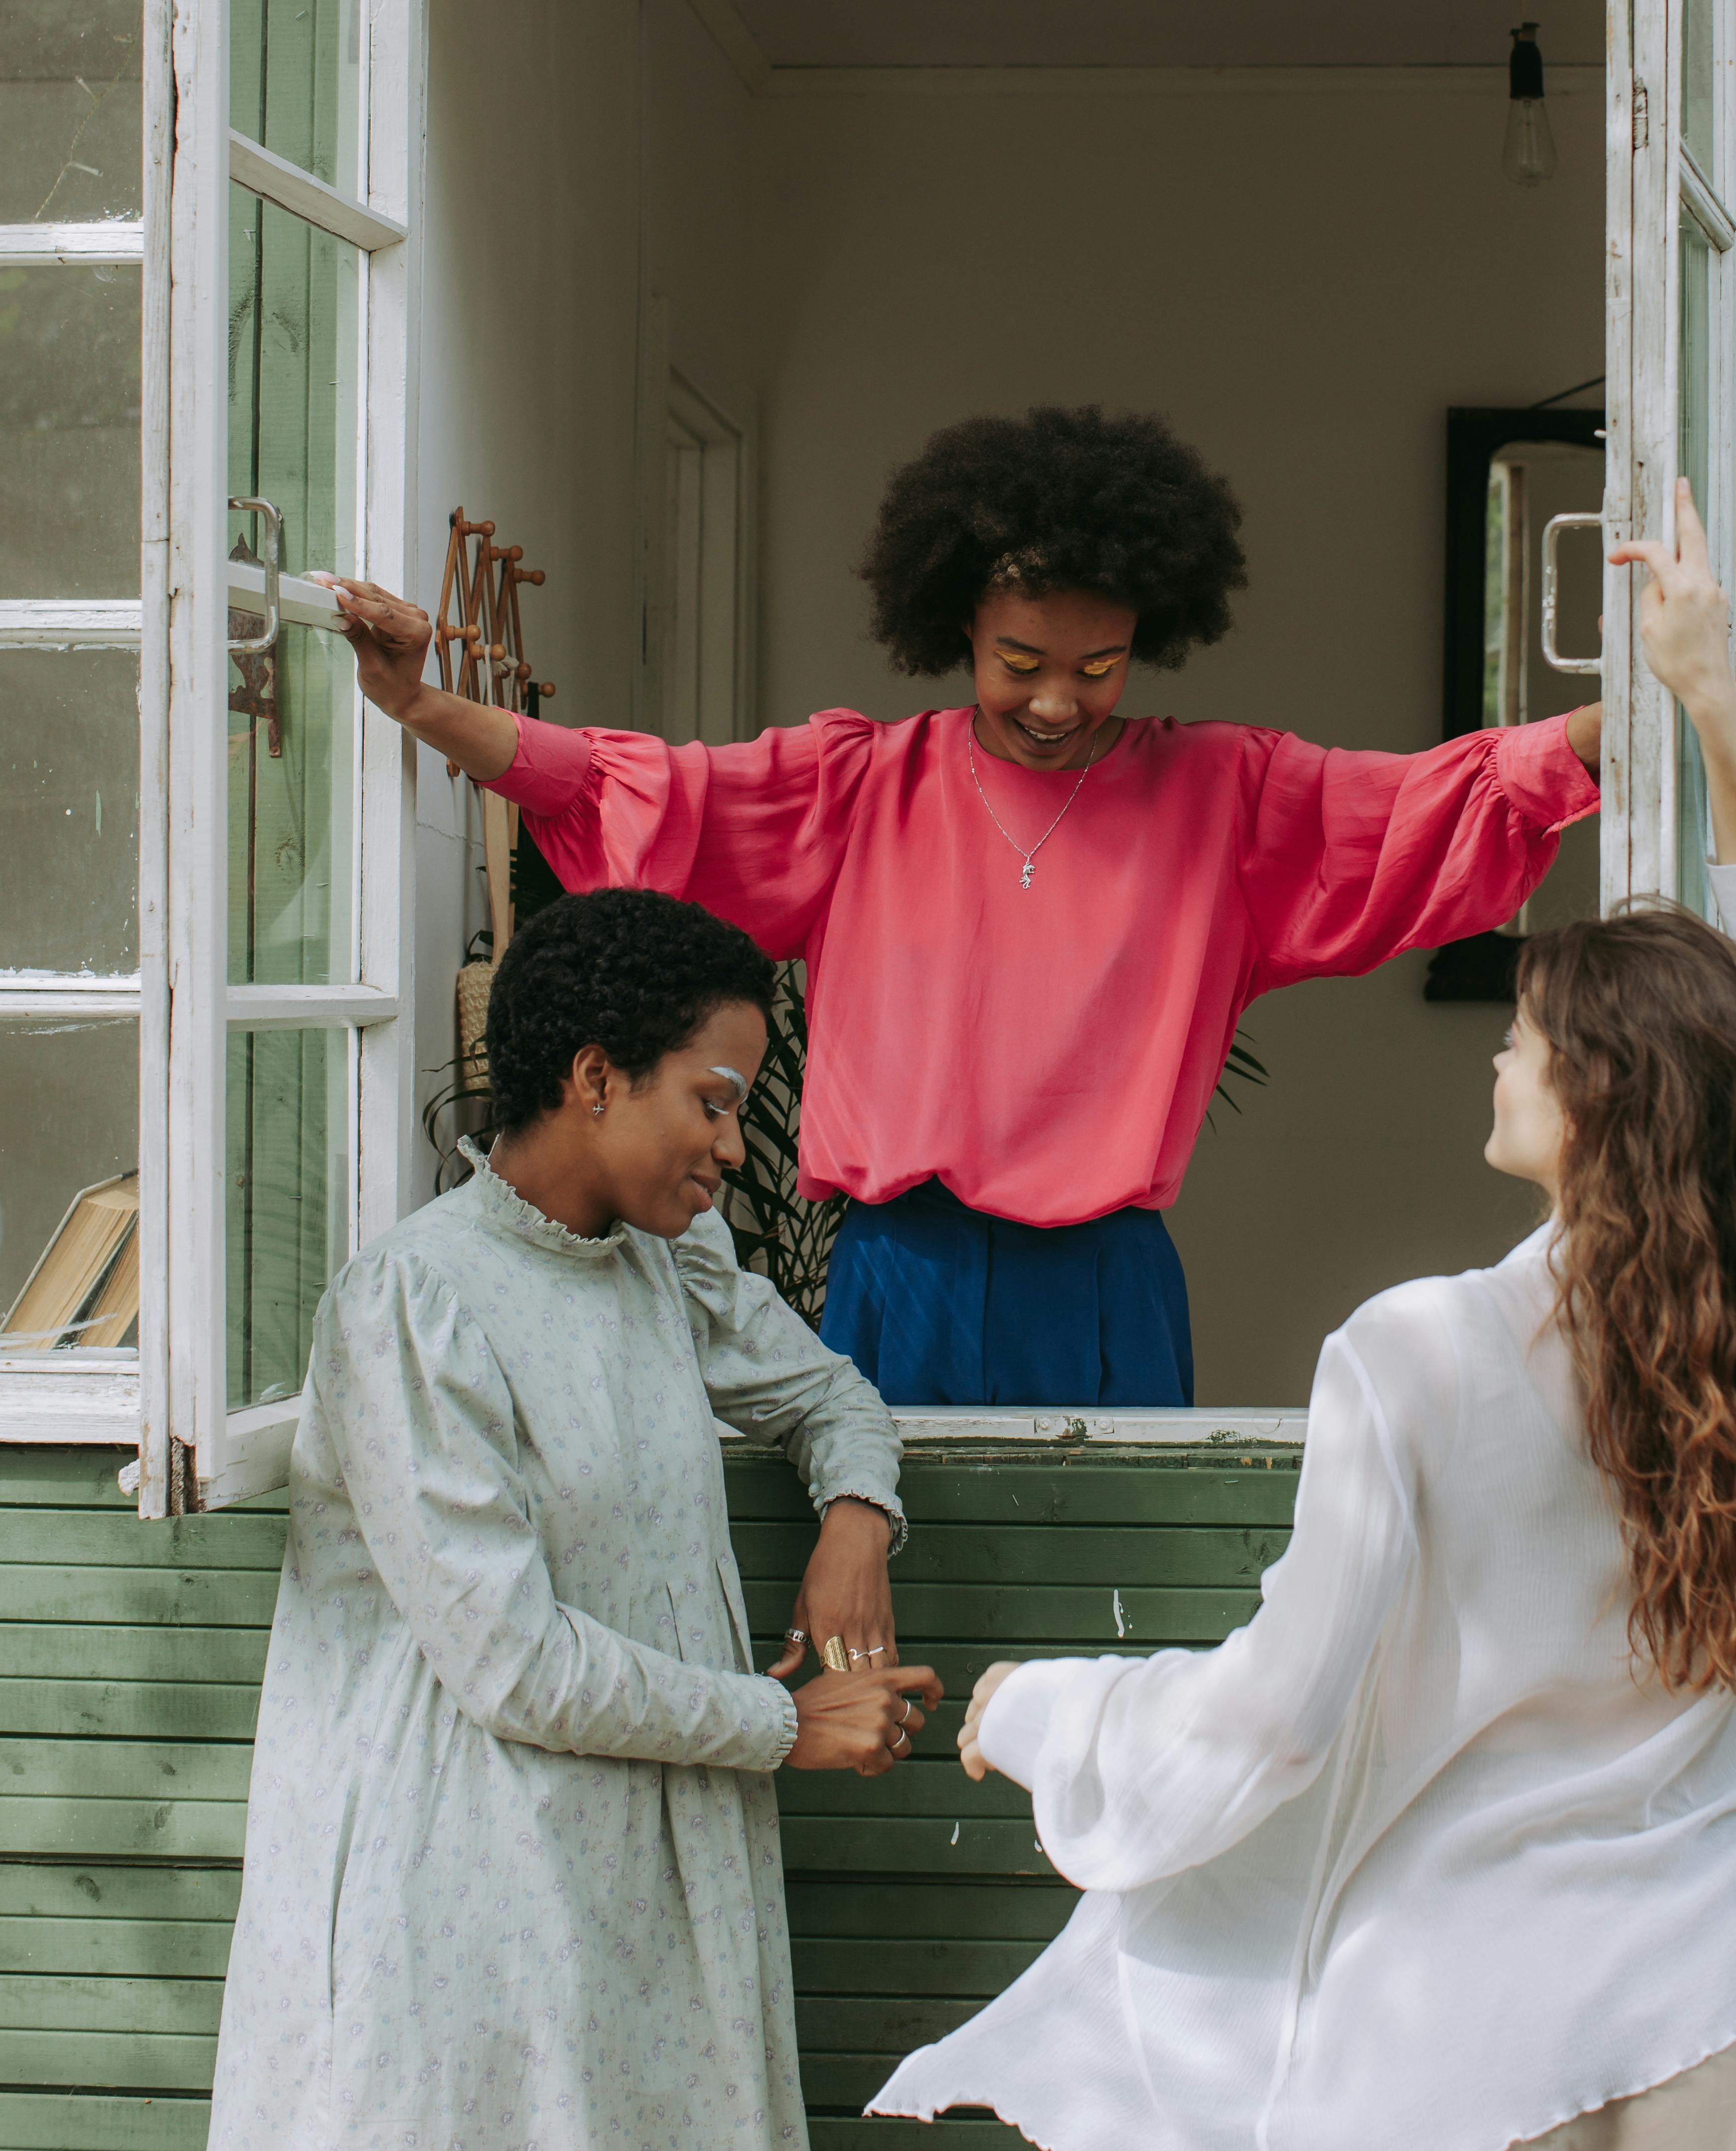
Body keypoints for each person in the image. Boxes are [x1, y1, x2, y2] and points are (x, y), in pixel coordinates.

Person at [872, 487, 1736, 2151]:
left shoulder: (1416, 1351)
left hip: (1456, 2030)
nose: (1493, 1062)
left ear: (1601, 1094)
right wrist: (1704, 703)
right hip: (1702, 1986)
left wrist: (1048, 1708)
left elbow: (1273, 1714)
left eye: (1521, 1040)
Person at [320, 404, 1601, 1413]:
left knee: (1105, 1614)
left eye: (1098, 668)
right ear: (956, 628)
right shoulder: (860, 783)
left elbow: (1438, 802)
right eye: (1019, 665)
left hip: (1107, 1281)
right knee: (887, 1579)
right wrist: (427, 707)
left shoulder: (1223, 794)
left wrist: (1624, 718)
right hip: (895, 1270)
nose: (1056, 702)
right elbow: (654, 790)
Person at [197, 887, 941, 2151]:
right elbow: (514, 1661)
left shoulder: (665, 1260)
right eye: (710, 1101)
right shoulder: (419, 1301)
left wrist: (854, 1517)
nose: (729, 1144)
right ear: (595, 1077)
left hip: (647, 1858)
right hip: (476, 1873)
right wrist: (787, 1721)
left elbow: (827, 1393)